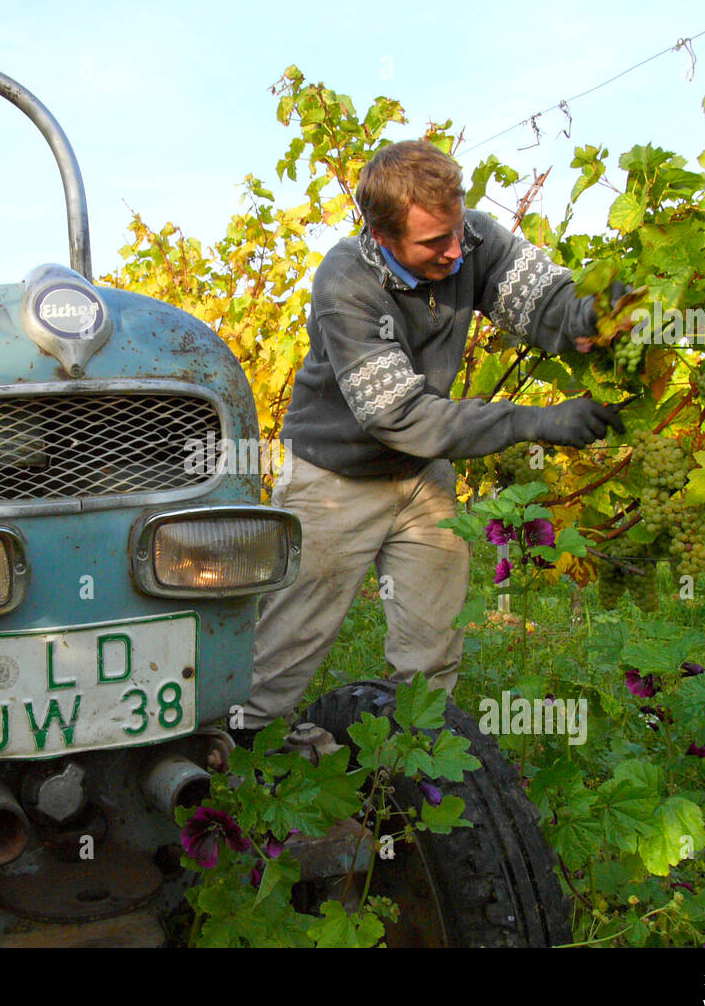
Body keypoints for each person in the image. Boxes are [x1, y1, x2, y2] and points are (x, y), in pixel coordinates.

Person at [240, 138, 625, 735]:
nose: (454, 252)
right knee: (286, 649)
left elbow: (546, 303)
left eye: (455, 232)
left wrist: (596, 316)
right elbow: (399, 414)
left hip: (422, 476)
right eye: (432, 243)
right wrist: (533, 422)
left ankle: (411, 774)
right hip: (334, 480)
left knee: (432, 648)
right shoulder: (345, 282)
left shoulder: (469, 239)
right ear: (382, 235)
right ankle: (240, 770)